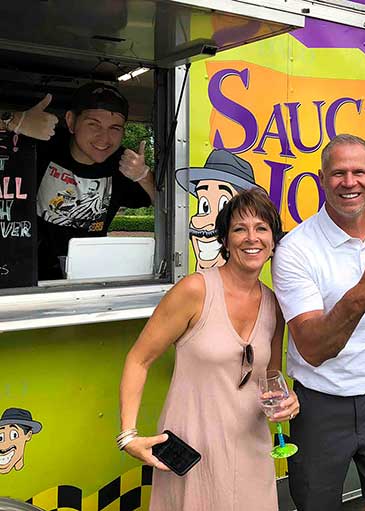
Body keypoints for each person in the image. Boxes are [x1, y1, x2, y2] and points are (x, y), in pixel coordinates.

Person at [118, 188, 299, 510]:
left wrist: (287, 401)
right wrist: (128, 435)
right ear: (225, 240)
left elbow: (270, 377)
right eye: (239, 229)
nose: (251, 238)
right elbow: (139, 359)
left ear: (273, 241)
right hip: (194, 446)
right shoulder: (195, 290)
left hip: (251, 448)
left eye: (261, 228)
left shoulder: (275, 304)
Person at [271, 134, 365, 511]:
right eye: (338, 173)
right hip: (320, 402)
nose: (349, 182)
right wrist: (356, 300)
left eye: (358, 172)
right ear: (321, 179)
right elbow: (313, 349)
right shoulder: (295, 250)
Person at [1, 83, 154, 279]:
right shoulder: (43, 142)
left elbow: (173, 207)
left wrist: (144, 175)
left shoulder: (124, 165)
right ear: (71, 121)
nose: (104, 138)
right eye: (93, 124)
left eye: (114, 128)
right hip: (24, 272)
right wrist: (13, 121)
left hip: (88, 278)